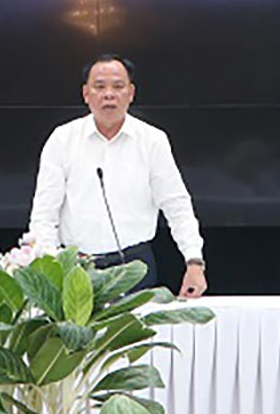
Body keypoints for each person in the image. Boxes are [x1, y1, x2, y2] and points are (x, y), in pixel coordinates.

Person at [27, 55, 207, 299]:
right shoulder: (62, 139)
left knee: (131, 336)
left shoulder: (153, 140)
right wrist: (49, 266)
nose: (109, 94)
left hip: (133, 268)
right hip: (77, 268)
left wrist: (194, 262)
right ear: (86, 94)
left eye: (118, 86)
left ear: (131, 93)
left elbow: (177, 205)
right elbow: (44, 214)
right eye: (100, 87)